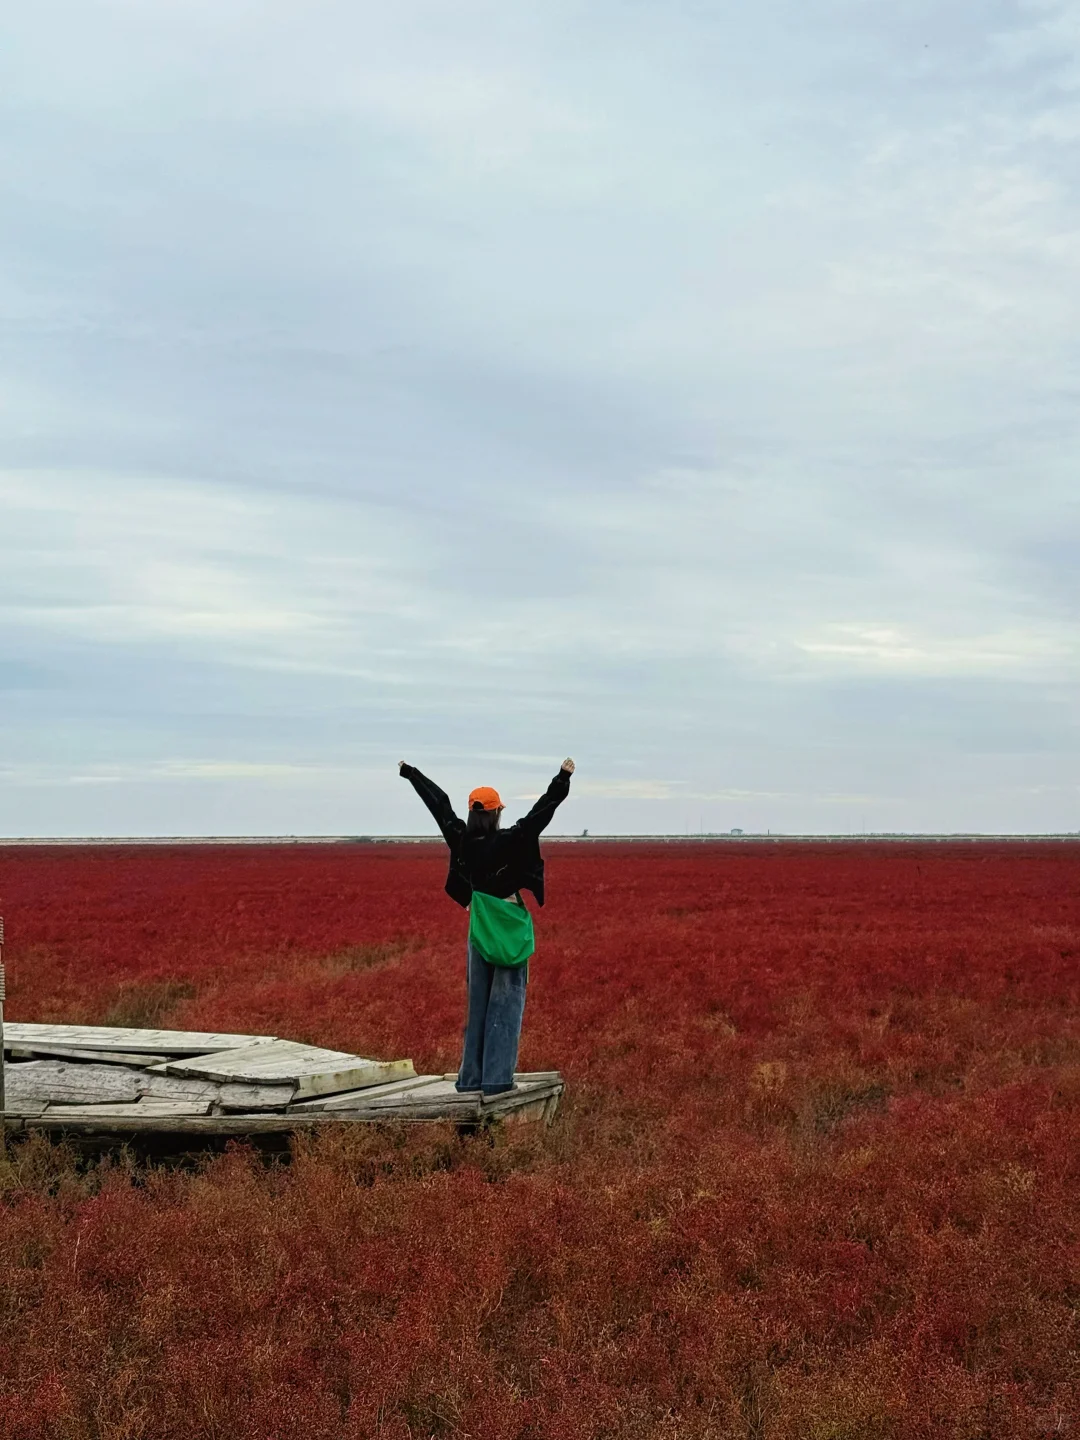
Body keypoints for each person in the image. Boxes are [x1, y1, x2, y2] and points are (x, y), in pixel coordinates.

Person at [398, 757, 575, 1096]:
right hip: (508, 929)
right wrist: (562, 778)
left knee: (478, 1005)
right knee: (506, 1006)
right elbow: (542, 813)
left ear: (471, 814)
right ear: (496, 814)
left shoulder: (461, 840)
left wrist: (412, 774)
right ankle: (496, 1082)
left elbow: (440, 805)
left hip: (479, 931)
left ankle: (470, 1081)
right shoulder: (511, 839)